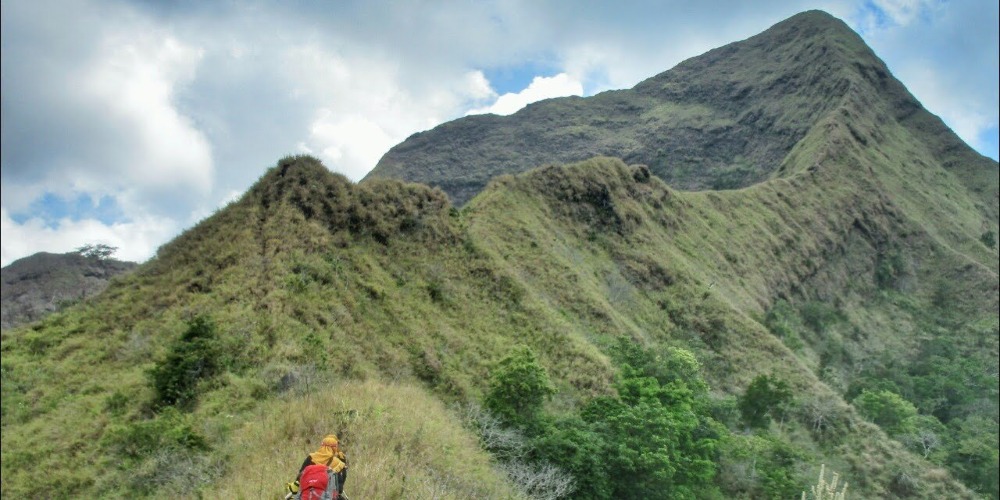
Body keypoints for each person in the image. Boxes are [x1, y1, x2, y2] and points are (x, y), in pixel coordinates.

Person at [297, 434, 348, 499]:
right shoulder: (338, 463)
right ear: (334, 448)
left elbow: (299, 477)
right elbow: (340, 488)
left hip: (307, 495)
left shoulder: (311, 458)